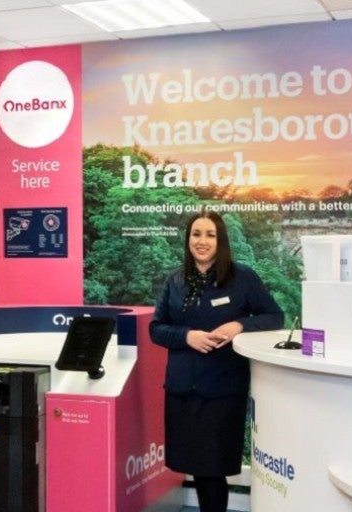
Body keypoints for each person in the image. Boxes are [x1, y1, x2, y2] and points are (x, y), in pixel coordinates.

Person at [149, 210, 285, 512]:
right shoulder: (175, 280)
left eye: (210, 235)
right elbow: (156, 328)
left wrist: (240, 325)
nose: (202, 241)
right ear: (188, 240)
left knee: (213, 470)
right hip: (182, 390)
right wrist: (187, 336)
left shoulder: (242, 278)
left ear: (220, 240)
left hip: (222, 391)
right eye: (196, 234)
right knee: (198, 470)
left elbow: (274, 316)